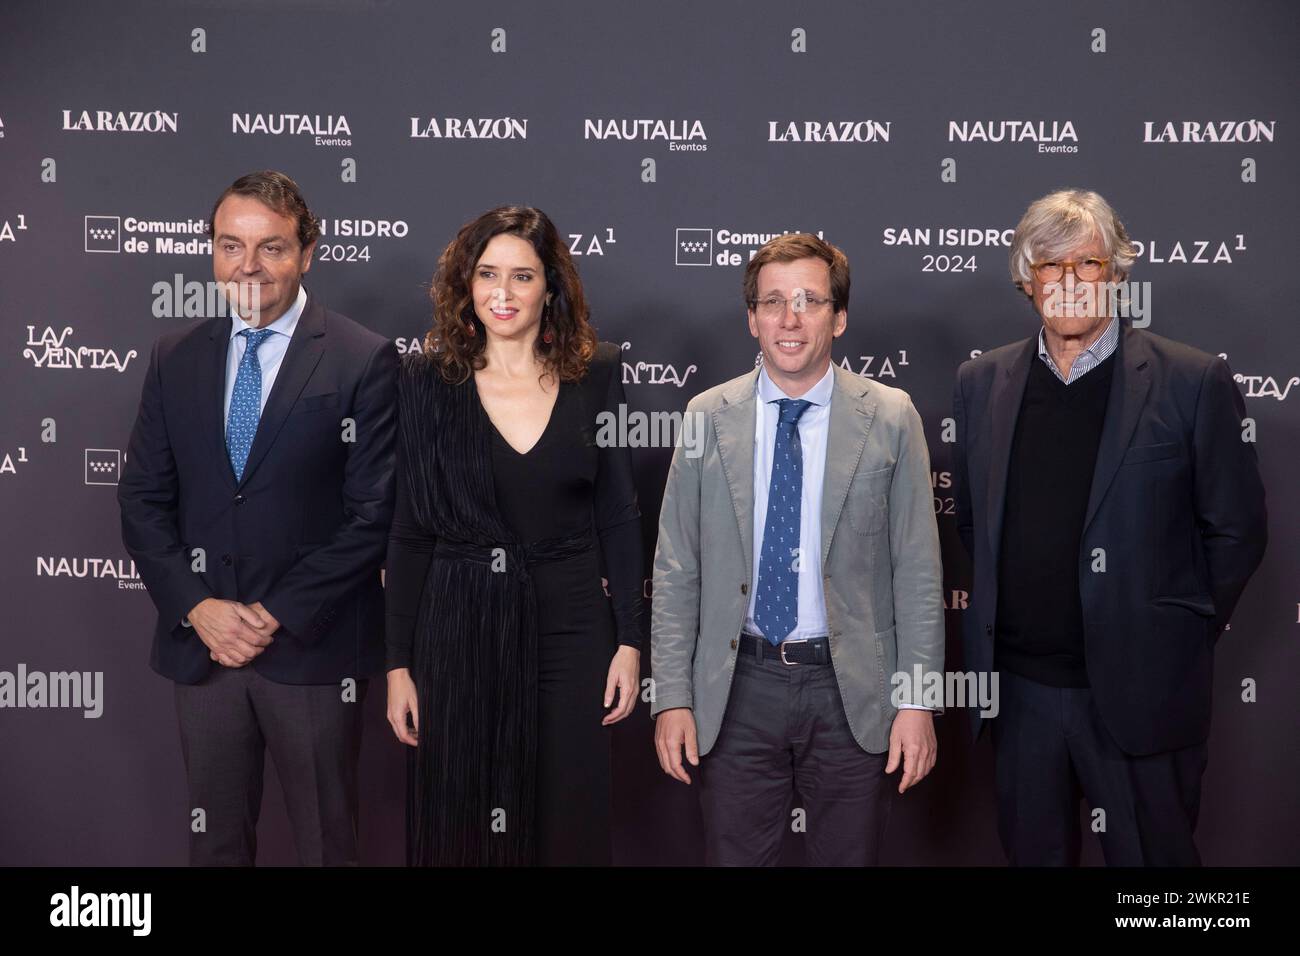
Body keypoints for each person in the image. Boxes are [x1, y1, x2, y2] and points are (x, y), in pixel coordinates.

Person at [951, 188, 1268, 865]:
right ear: (1026, 281)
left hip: (1143, 695)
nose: (1068, 284)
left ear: (1117, 274)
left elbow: (1236, 530)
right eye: (1049, 267)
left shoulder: (1191, 380)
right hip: (1022, 696)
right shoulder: (981, 382)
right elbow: (976, 527)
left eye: (1086, 264)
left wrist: (1171, 629)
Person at [117, 170, 398, 865]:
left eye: (271, 247)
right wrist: (198, 607)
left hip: (311, 650)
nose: (249, 266)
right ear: (211, 253)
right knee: (214, 845)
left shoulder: (363, 359)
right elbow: (142, 499)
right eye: (230, 245)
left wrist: (272, 613)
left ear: (307, 253)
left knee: (327, 846)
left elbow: (372, 515)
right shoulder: (174, 356)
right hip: (205, 652)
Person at [651, 233, 944, 865]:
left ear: (838, 317)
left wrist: (917, 701)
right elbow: (677, 569)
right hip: (737, 689)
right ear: (751, 318)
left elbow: (918, 570)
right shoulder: (705, 417)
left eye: (810, 300)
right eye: (774, 302)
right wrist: (672, 697)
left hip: (852, 692)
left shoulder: (891, 416)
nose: (790, 319)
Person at [384, 205, 645, 866]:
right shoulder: (425, 381)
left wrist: (630, 642)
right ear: (465, 285)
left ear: (551, 288)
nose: (502, 293)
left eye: (522, 276)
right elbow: (412, 533)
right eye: (487, 274)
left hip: (572, 627)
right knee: (465, 822)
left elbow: (618, 512)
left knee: (568, 817)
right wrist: (396, 665)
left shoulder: (598, 375)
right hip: (459, 624)